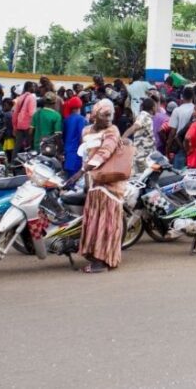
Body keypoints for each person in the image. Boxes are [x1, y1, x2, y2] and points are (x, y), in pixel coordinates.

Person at [76, 99, 126, 273]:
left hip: (111, 183)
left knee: (107, 224)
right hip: (94, 181)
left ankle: (103, 262)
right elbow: (85, 153)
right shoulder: (86, 131)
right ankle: (94, 255)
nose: (109, 118)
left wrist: (82, 171)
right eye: (105, 115)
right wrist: (85, 174)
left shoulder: (113, 131)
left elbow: (106, 151)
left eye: (111, 115)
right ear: (95, 115)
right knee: (94, 221)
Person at [123, 98, 156, 174]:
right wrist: (123, 137)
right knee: (145, 177)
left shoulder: (146, 116)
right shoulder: (144, 116)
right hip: (143, 156)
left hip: (145, 155)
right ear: (153, 107)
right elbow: (135, 127)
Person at [165, 87, 195, 168]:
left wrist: (168, 148)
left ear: (182, 97)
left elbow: (172, 132)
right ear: (193, 97)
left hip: (181, 146)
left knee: (179, 173)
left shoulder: (177, 110)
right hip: (194, 147)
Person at [62, 95, 86, 176]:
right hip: (76, 154)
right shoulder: (82, 119)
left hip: (67, 153)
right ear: (79, 107)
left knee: (68, 177)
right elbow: (82, 137)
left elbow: (64, 136)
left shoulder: (66, 119)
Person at [11, 82, 37, 152]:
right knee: (29, 147)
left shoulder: (20, 97)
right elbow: (32, 113)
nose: (34, 88)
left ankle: (13, 161)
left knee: (17, 146)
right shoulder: (32, 97)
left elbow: (15, 113)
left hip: (19, 125)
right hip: (28, 126)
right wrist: (33, 126)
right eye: (33, 87)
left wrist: (14, 126)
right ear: (29, 88)